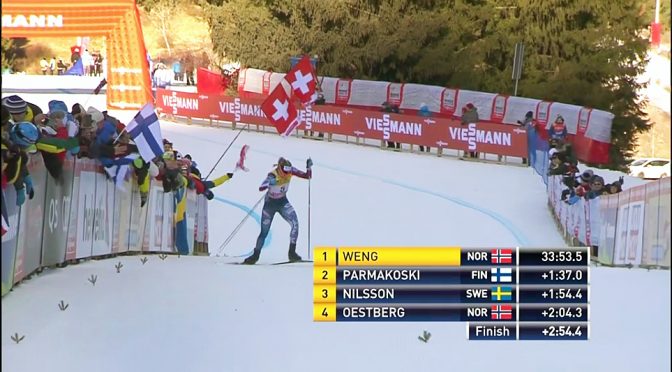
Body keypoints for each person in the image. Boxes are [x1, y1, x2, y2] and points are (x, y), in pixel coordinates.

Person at [243, 157, 313, 264]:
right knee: (264, 232)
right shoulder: (272, 175)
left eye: (288, 170)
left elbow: (307, 176)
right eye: (284, 170)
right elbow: (261, 187)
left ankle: (292, 253)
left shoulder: (290, 170)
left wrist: (309, 168)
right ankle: (255, 255)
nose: (286, 173)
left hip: (283, 202)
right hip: (270, 205)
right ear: (279, 168)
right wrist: (270, 182)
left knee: (295, 224)